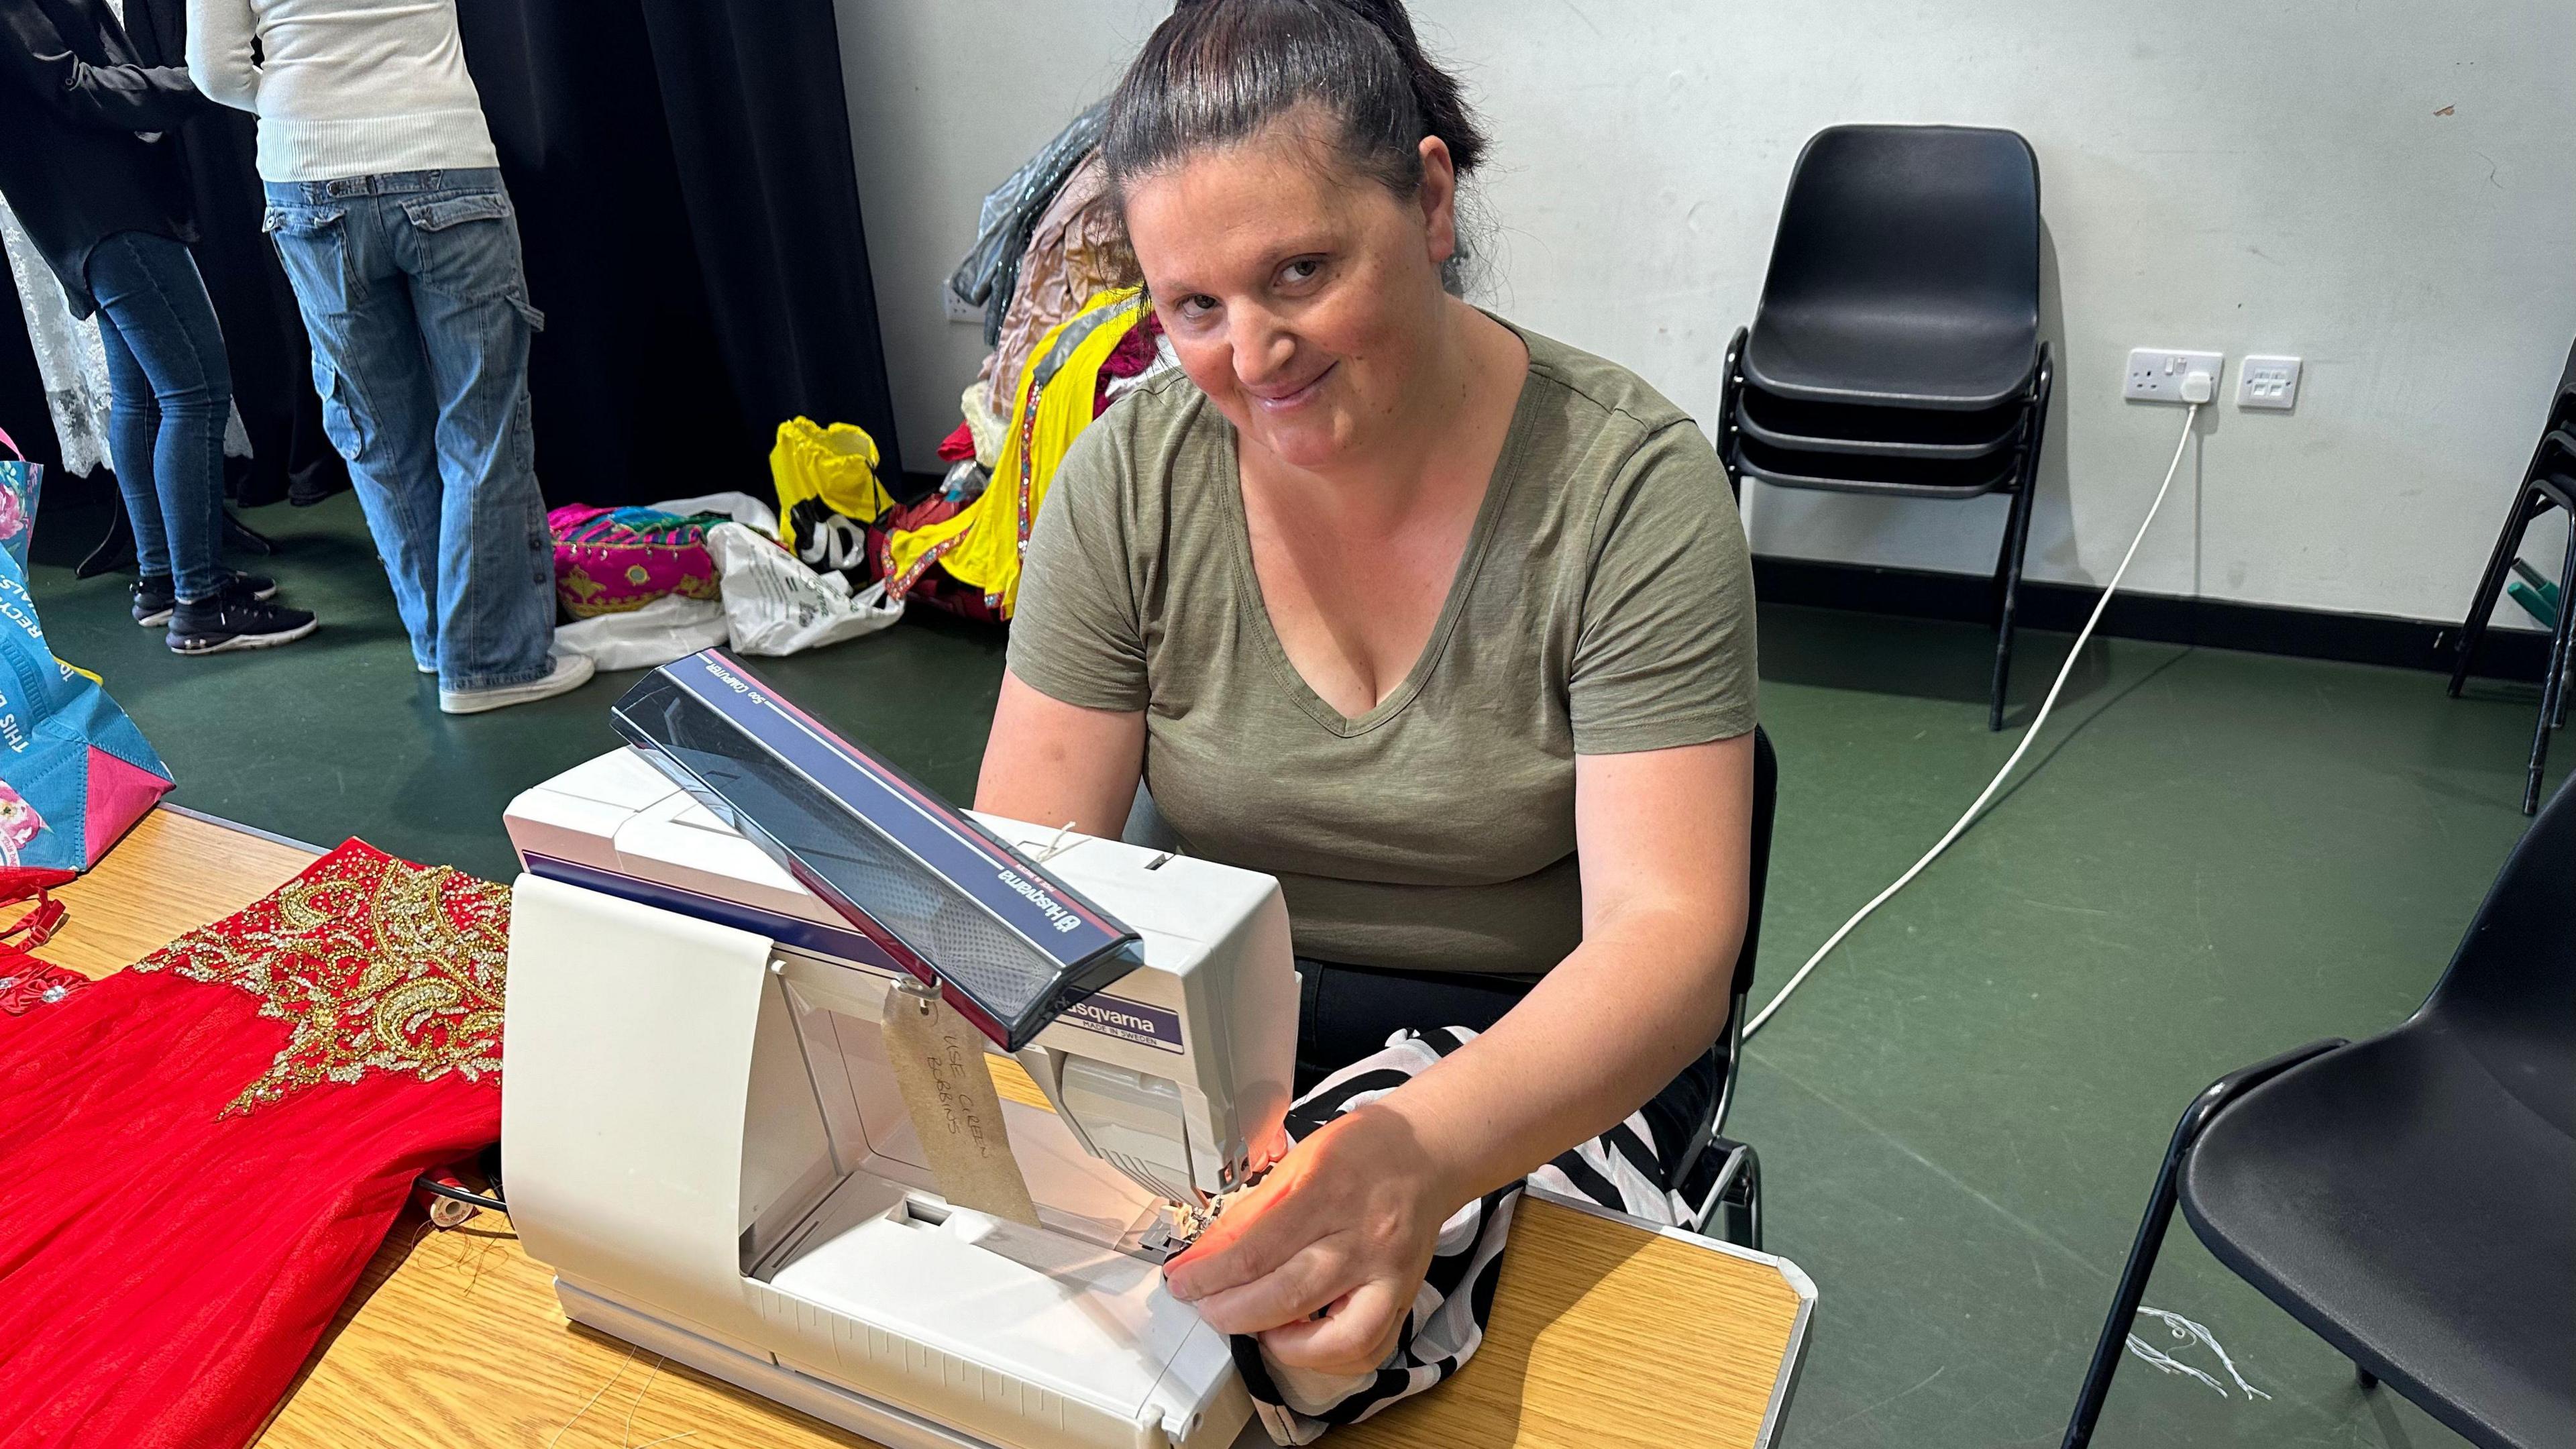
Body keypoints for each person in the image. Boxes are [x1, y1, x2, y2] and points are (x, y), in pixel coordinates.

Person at [975, 0, 1758, 1390]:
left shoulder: (1626, 489)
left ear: (1434, 198)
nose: (1254, 353)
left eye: (1302, 271)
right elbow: (1029, 884)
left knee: (1282, 1353)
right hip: (1218, 1025)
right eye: (1192, 307)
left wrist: (1421, 1146)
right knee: (1096, 1337)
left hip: (1536, 1032)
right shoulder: (1129, 480)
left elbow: (1667, 939)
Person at [186, 0, 588, 712]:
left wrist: (300, 103)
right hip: (440, 152)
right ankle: (491, 662)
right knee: (481, 423)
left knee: (379, 434)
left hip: (307, 172)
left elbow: (214, 71)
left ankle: (441, 645)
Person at [0, 0, 317, 654]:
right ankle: (201, 606)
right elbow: (68, 84)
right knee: (194, 392)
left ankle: (164, 582)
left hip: (91, 208)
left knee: (144, 396)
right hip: (103, 206)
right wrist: (198, 83)